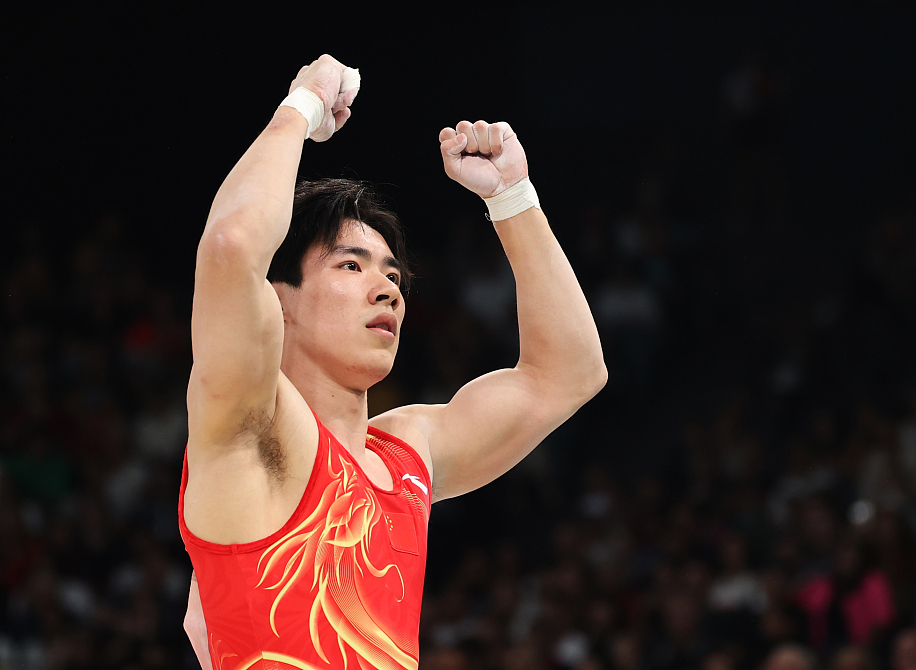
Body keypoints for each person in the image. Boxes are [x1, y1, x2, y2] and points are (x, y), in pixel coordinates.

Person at [177, 54, 606, 670]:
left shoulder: (408, 455)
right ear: (277, 301)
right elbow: (231, 246)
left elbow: (570, 373)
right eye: (351, 265)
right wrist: (300, 107)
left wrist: (513, 197)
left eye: (393, 274)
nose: (388, 290)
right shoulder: (253, 429)